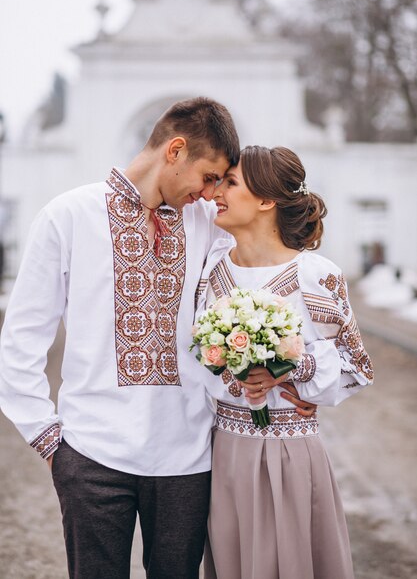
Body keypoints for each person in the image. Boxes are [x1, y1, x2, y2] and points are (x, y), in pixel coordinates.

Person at [0, 97, 319, 579]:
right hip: (91, 456)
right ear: (174, 151)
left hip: (187, 459)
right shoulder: (67, 217)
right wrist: (50, 442)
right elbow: (21, 341)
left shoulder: (208, 226)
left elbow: (268, 282)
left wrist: (291, 374)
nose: (212, 193)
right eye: (210, 177)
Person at [195, 145, 374, 579]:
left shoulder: (316, 276)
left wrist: (290, 373)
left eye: (230, 182)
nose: (216, 192)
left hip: (289, 454)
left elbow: (358, 367)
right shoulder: (210, 271)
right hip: (223, 453)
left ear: (266, 200)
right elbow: (196, 356)